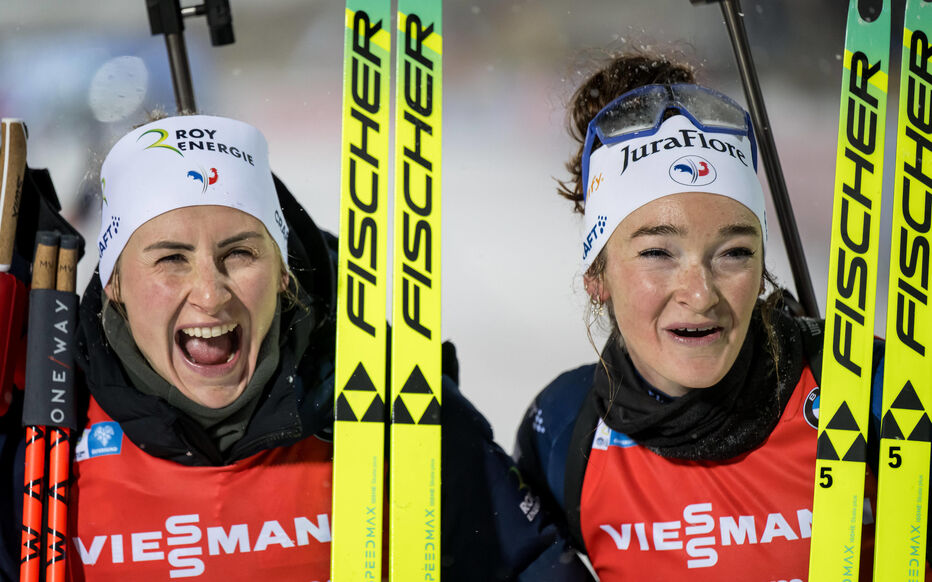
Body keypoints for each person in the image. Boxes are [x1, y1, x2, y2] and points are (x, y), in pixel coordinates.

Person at [0, 114, 594, 581]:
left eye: (240, 253)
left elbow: (526, 564)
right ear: (116, 286)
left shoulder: (389, 406)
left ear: (284, 274)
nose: (210, 293)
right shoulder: (45, 437)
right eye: (171, 259)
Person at [513, 53, 912, 580]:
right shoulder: (565, 431)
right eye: (658, 253)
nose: (700, 295)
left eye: (734, 253)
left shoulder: (864, 385)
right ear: (598, 275)